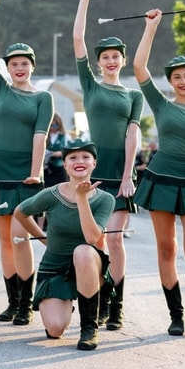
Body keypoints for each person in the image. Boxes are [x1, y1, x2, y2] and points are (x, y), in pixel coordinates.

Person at [132, 9, 185, 337]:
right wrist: (151, 27)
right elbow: (139, 67)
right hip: (161, 183)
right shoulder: (162, 105)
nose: (183, 81)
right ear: (171, 81)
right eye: (177, 77)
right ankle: (176, 314)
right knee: (166, 248)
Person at [0, 0, 54, 326]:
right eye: (13, 63)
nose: (18, 67)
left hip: (26, 174)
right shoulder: (0, 88)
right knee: (5, 241)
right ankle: (12, 301)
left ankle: (26, 303)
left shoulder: (43, 98)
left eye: (24, 63)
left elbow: (41, 136)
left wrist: (36, 172)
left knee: (22, 237)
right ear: (7, 68)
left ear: (32, 67)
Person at [73, 0, 143, 331]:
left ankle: (115, 304)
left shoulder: (133, 96)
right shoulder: (91, 85)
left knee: (113, 238)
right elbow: (77, 41)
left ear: (123, 61)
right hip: (93, 171)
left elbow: (133, 133)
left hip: (121, 172)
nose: (111, 61)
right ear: (99, 63)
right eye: (106, 57)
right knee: (95, 238)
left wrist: (129, 173)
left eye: (116, 56)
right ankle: (98, 298)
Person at [13, 139, 114, 350]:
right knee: (56, 329)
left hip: (88, 262)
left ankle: (89, 328)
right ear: (66, 165)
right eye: (73, 158)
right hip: (55, 268)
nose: (80, 161)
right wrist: (43, 238)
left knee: (83, 252)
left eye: (86, 157)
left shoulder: (105, 199)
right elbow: (20, 213)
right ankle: (66, 301)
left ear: (94, 163)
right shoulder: (52, 194)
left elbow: (92, 238)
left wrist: (82, 198)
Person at [43, 112, 71, 189]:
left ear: (59, 125)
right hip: (46, 169)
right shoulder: (45, 136)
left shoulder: (65, 136)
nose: (52, 128)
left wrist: (60, 153)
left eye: (55, 125)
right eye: (51, 125)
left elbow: (70, 151)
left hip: (60, 169)